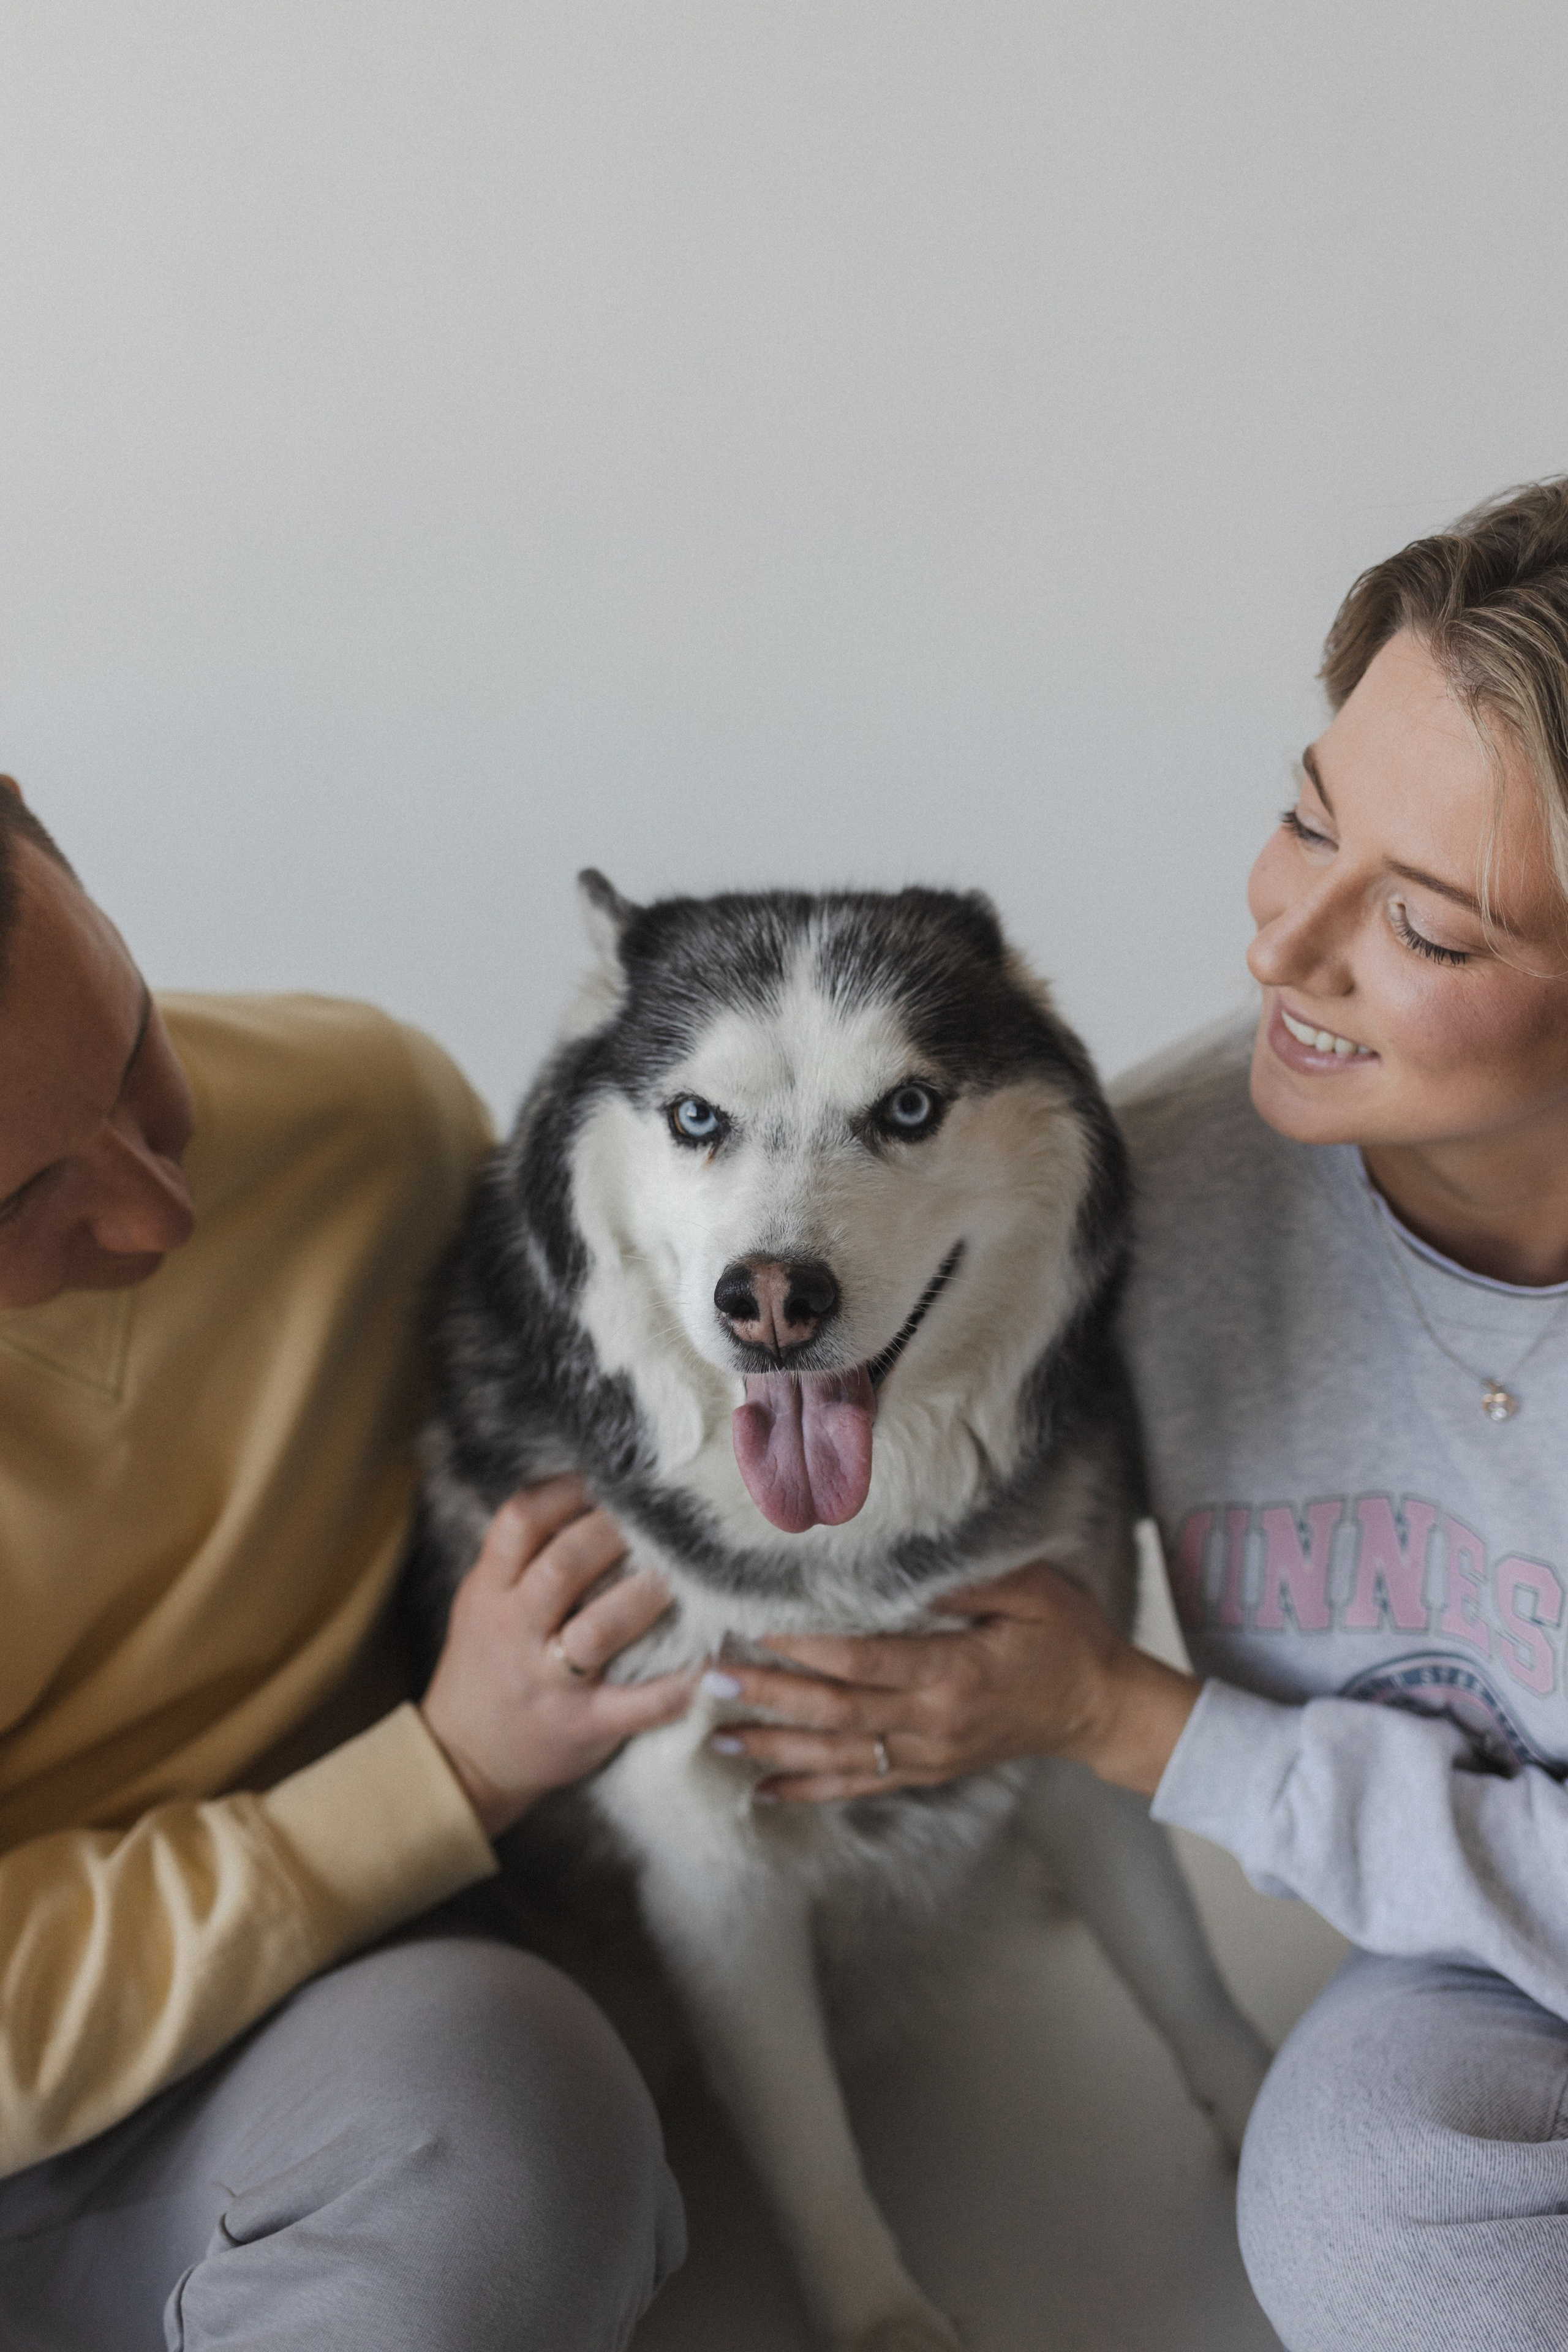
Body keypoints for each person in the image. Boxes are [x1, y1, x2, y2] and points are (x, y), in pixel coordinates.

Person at [706, 478, 1568, 2352]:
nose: (1284, 948)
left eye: (1425, 928)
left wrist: (1129, 1717)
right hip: (1485, 1972)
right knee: (1359, 2211)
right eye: (1307, 821)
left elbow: (1133, 1714)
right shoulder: (1133, 1201)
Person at [0, 786, 692, 2351]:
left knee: (512, 2117)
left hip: (285, 2065)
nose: (158, 1205)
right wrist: (441, 1775)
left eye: (130, 1048)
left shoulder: (364, 1124)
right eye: (21, 1201)